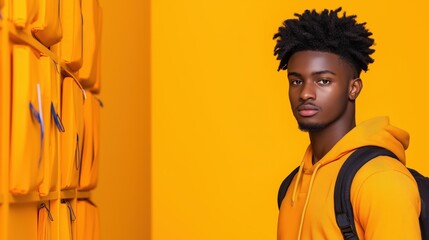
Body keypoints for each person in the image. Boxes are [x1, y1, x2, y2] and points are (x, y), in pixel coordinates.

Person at [273, 7, 421, 240]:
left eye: (323, 81)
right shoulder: (291, 187)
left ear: (353, 88)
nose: (305, 93)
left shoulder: (380, 180)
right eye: (296, 81)